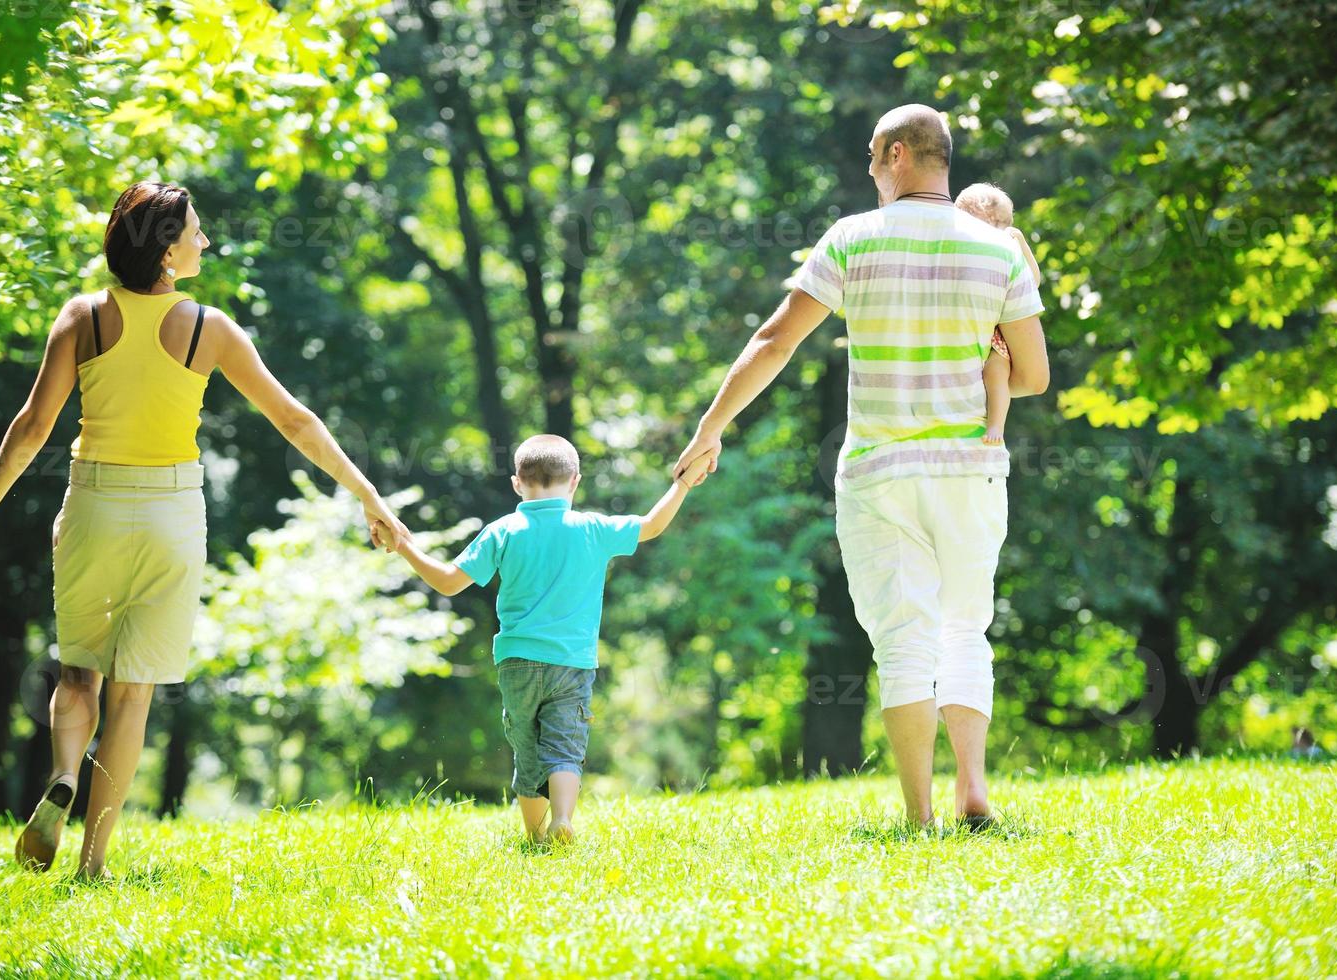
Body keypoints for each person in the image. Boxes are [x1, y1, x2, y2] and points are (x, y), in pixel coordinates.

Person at [0, 180, 406, 879]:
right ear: (166, 248)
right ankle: (93, 864)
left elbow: (33, 426)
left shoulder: (83, 317)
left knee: (78, 674)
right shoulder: (209, 327)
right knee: (133, 693)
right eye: (195, 231)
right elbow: (294, 421)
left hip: (93, 504)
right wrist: (368, 494)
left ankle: (64, 772)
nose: (205, 241)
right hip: (171, 512)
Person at [673, 105, 1049, 831]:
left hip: (879, 471)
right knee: (966, 627)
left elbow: (775, 342)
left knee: (903, 637)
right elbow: (1032, 375)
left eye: (874, 157)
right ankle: (974, 788)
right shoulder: (998, 250)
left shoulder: (852, 239)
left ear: (899, 155)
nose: (870, 170)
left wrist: (710, 428)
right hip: (970, 468)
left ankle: (920, 818)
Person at [378, 434, 709, 844]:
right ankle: (563, 819)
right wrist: (683, 483)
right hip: (572, 663)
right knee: (565, 742)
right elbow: (653, 525)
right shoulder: (591, 528)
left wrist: (405, 545)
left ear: (517, 483)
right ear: (575, 481)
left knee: (527, 746)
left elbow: (447, 582)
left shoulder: (504, 530)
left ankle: (535, 836)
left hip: (517, 662)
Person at [953, 182, 1044, 446]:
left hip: (999, 336)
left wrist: (1021, 243)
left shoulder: (1009, 241)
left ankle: (996, 425)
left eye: (1006, 221)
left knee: (995, 373)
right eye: (1000, 221)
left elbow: (1033, 280)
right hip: (977, 329)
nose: (1005, 226)